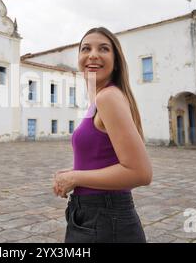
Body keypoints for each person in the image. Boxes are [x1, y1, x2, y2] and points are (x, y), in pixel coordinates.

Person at [53, 27, 152, 243]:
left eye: (104, 49)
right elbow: (105, 157)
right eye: (85, 48)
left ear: (116, 61)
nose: (93, 54)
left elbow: (140, 173)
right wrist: (74, 172)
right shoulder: (101, 99)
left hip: (106, 220)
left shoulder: (108, 98)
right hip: (94, 215)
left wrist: (75, 177)